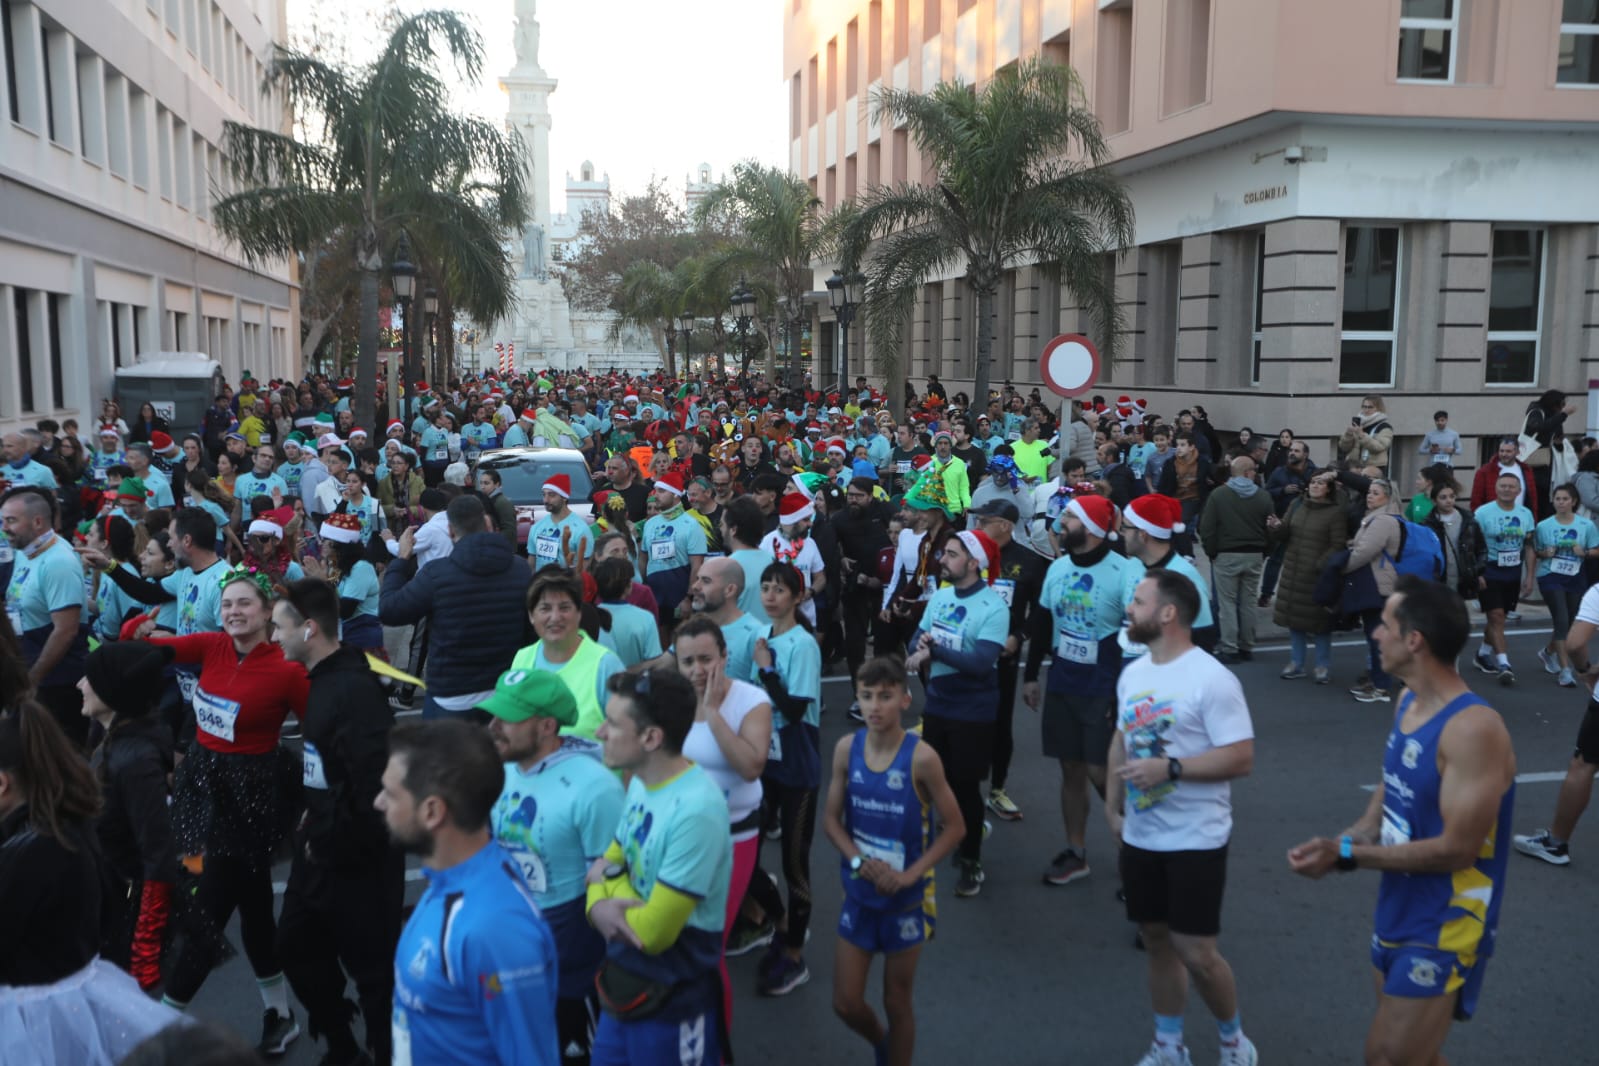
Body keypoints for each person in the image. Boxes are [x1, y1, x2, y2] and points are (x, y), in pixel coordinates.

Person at [1288, 577, 1515, 1066]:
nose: (1374, 633)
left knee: (1388, 1058)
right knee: (1418, 1057)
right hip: (1399, 902)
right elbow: (1394, 783)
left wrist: (1348, 856)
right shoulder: (1408, 701)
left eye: (1384, 625)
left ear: (1414, 641)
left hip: (1447, 919)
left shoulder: (1473, 730)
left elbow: (1458, 849)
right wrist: (1353, 834)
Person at [149, 567, 309, 1057]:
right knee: (254, 908)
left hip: (252, 798)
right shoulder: (213, 646)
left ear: (267, 611)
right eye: (227, 605)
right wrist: (136, 629)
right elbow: (152, 650)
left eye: (244, 603)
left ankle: (161, 1025)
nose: (234, 612)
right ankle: (279, 1013)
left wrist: (319, 800)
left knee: (210, 910)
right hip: (203, 788)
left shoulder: (287, 668)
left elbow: (320, 731)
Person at [1107, 570, 1257, 1066]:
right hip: (1142, 836)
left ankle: (1234, 1042)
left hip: (1196, 838)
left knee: (1197, 953)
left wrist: (1171, 768)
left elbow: (1241, 757)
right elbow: (1122, 737)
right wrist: (1111, 806)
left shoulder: (1212, 678)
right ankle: (1169, 1046)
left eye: (1138, 600)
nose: (1129, 608)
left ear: (1167, 613)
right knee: (1156, 942)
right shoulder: (1134, 673)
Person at [0, 702, 186, 1065]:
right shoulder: (65, 824)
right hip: (74, 997)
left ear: (3, 783)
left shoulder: (29, 854)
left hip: (37, 1018)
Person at [270, 580, 402, 1066]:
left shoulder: (352, 690)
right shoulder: (324, 679)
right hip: (320, 849)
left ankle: (383, 1053)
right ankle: (343, 1047)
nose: (274, 637)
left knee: (374, 974)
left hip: (357, 860)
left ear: (308, 629)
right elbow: (328, 769)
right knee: (294, 944)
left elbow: (373, 789)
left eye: (279, 627)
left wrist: (327, 841)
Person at [380, 719, 561, 1066]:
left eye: (390, 793)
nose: (379, 802)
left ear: (432, 811)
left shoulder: (492, 929)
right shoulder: (449, 879)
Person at [585, 668, 733, 1066]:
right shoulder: (639, 783)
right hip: (624, 989)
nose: (600, 732)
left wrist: (602, 895)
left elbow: (651, 933)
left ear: (651, 738)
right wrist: (599, 901)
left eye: (613, 724)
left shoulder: (696, 811)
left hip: (674, 1003)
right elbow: (605, 862)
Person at [822, 655, 962, 1066]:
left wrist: (911, 875)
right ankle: (883, 1043)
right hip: (860, 893)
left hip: (907, 899)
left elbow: (955, 827)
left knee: (896, 1000)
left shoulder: (922, 758)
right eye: (866, 696)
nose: (875, 706)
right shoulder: (846, 750)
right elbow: (831, 821)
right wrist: (857, 862)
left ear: (905, 699)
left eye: (885, 696)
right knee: (846, 1002)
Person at [485, 667, 626, 1066]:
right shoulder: (501, 769)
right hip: (512, 948)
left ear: (547, 726)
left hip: (573, 961)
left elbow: (612, 883)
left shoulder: (595, 787)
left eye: (507, 718)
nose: (493, 726)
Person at [1024, 492, 1145, 886]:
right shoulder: (1058, 568)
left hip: (1103, 684)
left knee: (1100, 770)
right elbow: (1042, 622)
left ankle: (1136, 851)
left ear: (1091, 528)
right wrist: (1030, 675)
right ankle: (1076, 852)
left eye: (1070, 519)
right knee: (1070, 768)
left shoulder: (1125, 571)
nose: (1061, 524)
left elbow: (1136, 637)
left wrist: (1121, 694)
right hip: (1063, 679)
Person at [674, 616, 772, 1012]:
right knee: (680, 942)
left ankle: (715, 1038)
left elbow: (751, 766)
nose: (697, 671)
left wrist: (713, 713)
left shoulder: (751, 701)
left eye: (706, 659)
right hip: (682, 837)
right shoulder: (672, 701)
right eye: (687, 662)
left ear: (725, 656)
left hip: (733, 835)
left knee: (708, 947)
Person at [902, 530, 1006, 897]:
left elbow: (980, 663)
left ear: (974, 563)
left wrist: (934, 651)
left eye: (951, 554)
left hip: (973, 711)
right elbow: (915, 640)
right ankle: (956, 833)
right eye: (944, 553)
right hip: (938, 705)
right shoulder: (942, 597)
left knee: (965, 786)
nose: (942, 560)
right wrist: (921, 645)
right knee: (935, 781)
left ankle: (971, 859)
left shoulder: (994, 607)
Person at [81, 641, 179, 991]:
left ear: (114, 693)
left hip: (125, 912)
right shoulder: (109, 736)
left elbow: (158, 854)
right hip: (104, 899)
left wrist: (145, 943)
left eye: (89, 678)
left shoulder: (135, 760)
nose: (80, 684)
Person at [379, 496, 532, 719]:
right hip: (504, 694)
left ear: (451, 531)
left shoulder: (436, 574)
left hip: (450, 699)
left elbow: (389, 610)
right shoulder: (520, 569)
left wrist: (402, 558)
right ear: (487, 523)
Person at [968, 498, 1048, 821]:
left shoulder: (1028, 561)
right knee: (963, 726)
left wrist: (1019, 637)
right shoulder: (968, 555)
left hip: (1002, 658)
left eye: (984, 521)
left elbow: (1041, 612)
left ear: (1004, 526)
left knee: (1000, 725)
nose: (977, 526)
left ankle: (997, 789)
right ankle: (960, 793)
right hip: (965, 654)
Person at [3, 488, 89, 746]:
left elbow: (66, 631)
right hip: (28, 674)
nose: (4, 528)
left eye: (11, 521)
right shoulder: (24, 550)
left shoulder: (59, 562)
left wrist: (33, 680)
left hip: (56, 684)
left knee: (55, 756)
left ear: (37, 522)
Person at [511, 570, 625, 739]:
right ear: (531, 616)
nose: (555, 617)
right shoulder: (522, 658)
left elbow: (627, 736)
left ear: (579, 613)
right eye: (545, 608)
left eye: (564, 608)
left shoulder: (606, 665)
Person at [1263, 472, 1346, 683]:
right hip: (1293, 571)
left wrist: (1319, 564)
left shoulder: (1335, 512)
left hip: (1318, 575)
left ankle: (1322, 666)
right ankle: (1296, 663)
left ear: (1329, 489)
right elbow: (1285, 534)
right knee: (1295, 621)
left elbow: (1338, 544)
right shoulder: (1297, 504)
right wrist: (1276, 527)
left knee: (1320, 623)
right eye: (1313, 482)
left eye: (1321, 483)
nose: (1315, 485)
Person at [1198, 457, 1272, 665]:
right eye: (1254, 470)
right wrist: (1265, 551)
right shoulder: (1263, 497)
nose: (1256, 473)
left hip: (1227, 554)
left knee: (1227, 603)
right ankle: (1247, 645)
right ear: (1248, 473)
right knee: (1248, 602)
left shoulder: (1219, 495)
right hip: (1254, 554)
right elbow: (1271, 527)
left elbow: (1207, 527)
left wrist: (1211, 551)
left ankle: (1229, 647)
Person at [1120, 494, 1217, 653]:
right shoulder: (1131, 566)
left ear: (1143, 534)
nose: (1121, 533)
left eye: (1125, 527)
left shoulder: (1184, 576)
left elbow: (1203, 638)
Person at [1471, 473, 1536, 686]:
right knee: (1496, 615)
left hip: (1513, 572)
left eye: (1511, 486)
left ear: (1518, 491)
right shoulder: (1483, 513)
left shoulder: (1525, 514)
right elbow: (1472, 544)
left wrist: (1529, 576)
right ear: (1496, 488)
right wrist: (1477, 573)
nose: (1507, 489)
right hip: (1489, 570)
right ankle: (1504, 664)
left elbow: (1529, 547)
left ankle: (1482, 653)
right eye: (1503, 486)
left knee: (1499, 618)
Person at [1533, 483, 1599, 687]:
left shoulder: (1586, 525)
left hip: (1575, 577)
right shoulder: (1543, 526)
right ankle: (1565, 670)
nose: (1561, 503)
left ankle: (1548, 652)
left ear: (1574, 501)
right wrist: (1545, 553)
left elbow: (1596, 550)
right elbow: (1537, 551)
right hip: (1550, 576)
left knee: (1569, 623)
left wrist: (1584, 552)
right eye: (1557, 499)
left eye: (1565, 499)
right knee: (1561, 619)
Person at [594, 557, 665, 667]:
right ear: (629, 586)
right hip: (636, 677)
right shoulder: (645, 618)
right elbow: (655, 661)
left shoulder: (589, 617)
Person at [531, 474, 594, 573]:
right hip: (542, 581)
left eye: (551, 495)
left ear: (564, 497)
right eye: (544, 495)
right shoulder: (536, 527)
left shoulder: (581, 529)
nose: (546, 500)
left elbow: (585, 567)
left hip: (567, 582)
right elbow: (532, 562)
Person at [1469, 437, 1539, 519]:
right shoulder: (1485, 471)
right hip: (1493, 519)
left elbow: (1533, 500)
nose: (1504, 454)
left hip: (1520, 519)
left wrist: (1533, 520)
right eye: (1501, 451)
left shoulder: (1526, 471)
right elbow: (1476, 500)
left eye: (1508, 451)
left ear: (1517, 452)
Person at [1337, 395, 1394, 475]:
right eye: (1364, 406)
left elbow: (1379, 447)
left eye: (1370, 407)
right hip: (1353, 467)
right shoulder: (1359, 424)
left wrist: (1362, 435)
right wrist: (1348, 434)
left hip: (1373, 469)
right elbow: (1344, 447)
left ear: (1378, 408)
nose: (1366, 410)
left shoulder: (1384, 427)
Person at [477, 467, 520, 551]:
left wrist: (491, 541)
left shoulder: (503, 503)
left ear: (497, 484)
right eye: (481, 483)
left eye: (486, 483)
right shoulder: (488, 500)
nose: (482, 487)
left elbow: (509, 531)